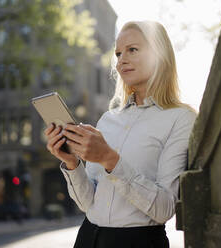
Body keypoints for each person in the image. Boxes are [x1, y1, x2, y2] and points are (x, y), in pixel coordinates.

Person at [44, 21, 197, 248]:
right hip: (87, 238)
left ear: (159, 53)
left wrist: (110, 159)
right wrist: (72, 162)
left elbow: (164, 209)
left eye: (132, 50)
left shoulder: (180, 118)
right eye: (117, 53)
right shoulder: (108, 119)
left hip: (139, 242)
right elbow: (88, 204)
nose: (121, 60)